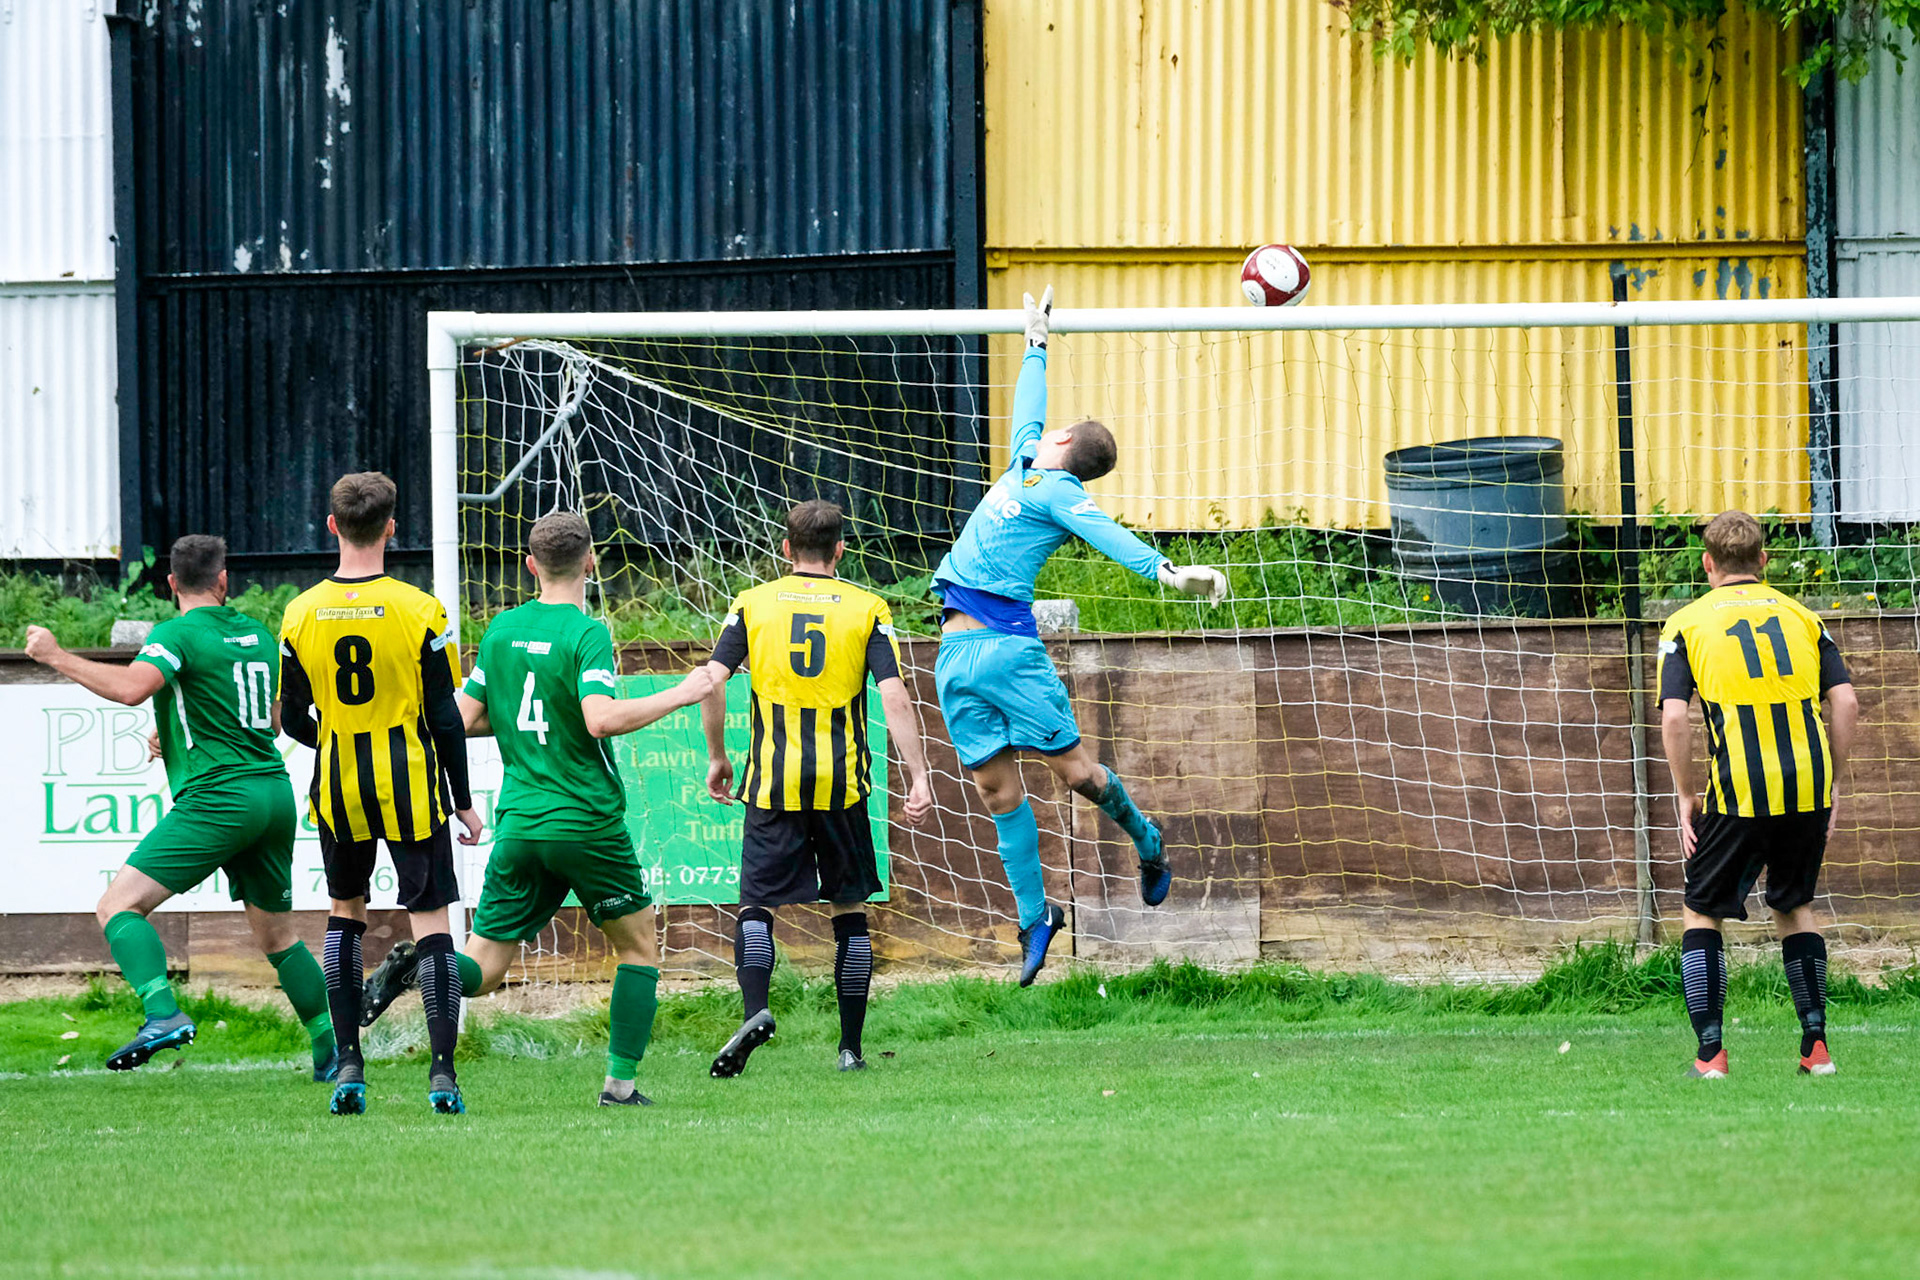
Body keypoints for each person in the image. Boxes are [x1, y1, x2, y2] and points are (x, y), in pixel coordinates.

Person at [358, 513, 712, 1107]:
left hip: (520, 822)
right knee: (639, 949)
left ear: (529, 564)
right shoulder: (587, 633)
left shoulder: (500, 631)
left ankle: (421, 965)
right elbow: (598, 719)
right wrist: (683, 691)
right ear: (592, 561)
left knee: (485, 967)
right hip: (585, 822)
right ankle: (619, 1088)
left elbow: (463, 718)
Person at [932, 286, 1227, 985]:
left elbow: (1108, 534)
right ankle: (1037, 917)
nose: (1044, 428)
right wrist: (1035, 342)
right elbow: (1026, 408)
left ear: (1067, 443)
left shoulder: (1063, 494)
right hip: (955, 651)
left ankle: (1147, 841)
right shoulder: (1023, 462)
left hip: (1008, 649)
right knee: (996, 792)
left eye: (1056, 427)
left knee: (1076, 775)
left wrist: (1171, 573)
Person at [24, 535, 336, 1078]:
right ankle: (334, 1049)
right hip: (272, 793)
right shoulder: (257, 634)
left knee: (118, 907)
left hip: (220, 798)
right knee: (278, 936)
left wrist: (55, 655)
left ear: (170, 584)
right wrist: (173, 732)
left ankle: (162, 1014)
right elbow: (270, 718)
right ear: (223, 581)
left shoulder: (176, 633)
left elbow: (131, 689)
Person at [698, 500, 934, 1076]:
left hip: (772, 785)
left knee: (755, 905)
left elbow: (711, 681)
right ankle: (850, 1049)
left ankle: (757, 1010)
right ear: (840, 551)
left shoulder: (752, 604)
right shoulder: (867, 606)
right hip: (842, 787)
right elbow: (894, 694)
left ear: (785, 549)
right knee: (849, 909)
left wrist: (717, 756)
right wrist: (919, 773)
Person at [279, 471, 482, 1116]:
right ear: (393, 527)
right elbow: (446, 717)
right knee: (431, 925)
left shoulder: (300, 612)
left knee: (345, 914)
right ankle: (442, 1073)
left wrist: (336, 741)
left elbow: (291, 716)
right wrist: (463, 799)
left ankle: (348, 1066)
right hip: (411, 783)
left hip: (340, 786)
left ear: (333, 526)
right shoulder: (421, 609)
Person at [1657, 509, 1859, 1078]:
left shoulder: (1686, 624)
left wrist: (1684, 794)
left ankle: (1711, 1055)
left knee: (1700, 910)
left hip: (1739, 787)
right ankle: (1815, 1049)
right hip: (1808, 782)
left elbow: (1675, 718)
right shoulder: (1803, 617)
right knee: (1795, 905)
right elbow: (1844, 702)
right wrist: (1835, 781)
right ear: (1764, 561)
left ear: (1708, 564)